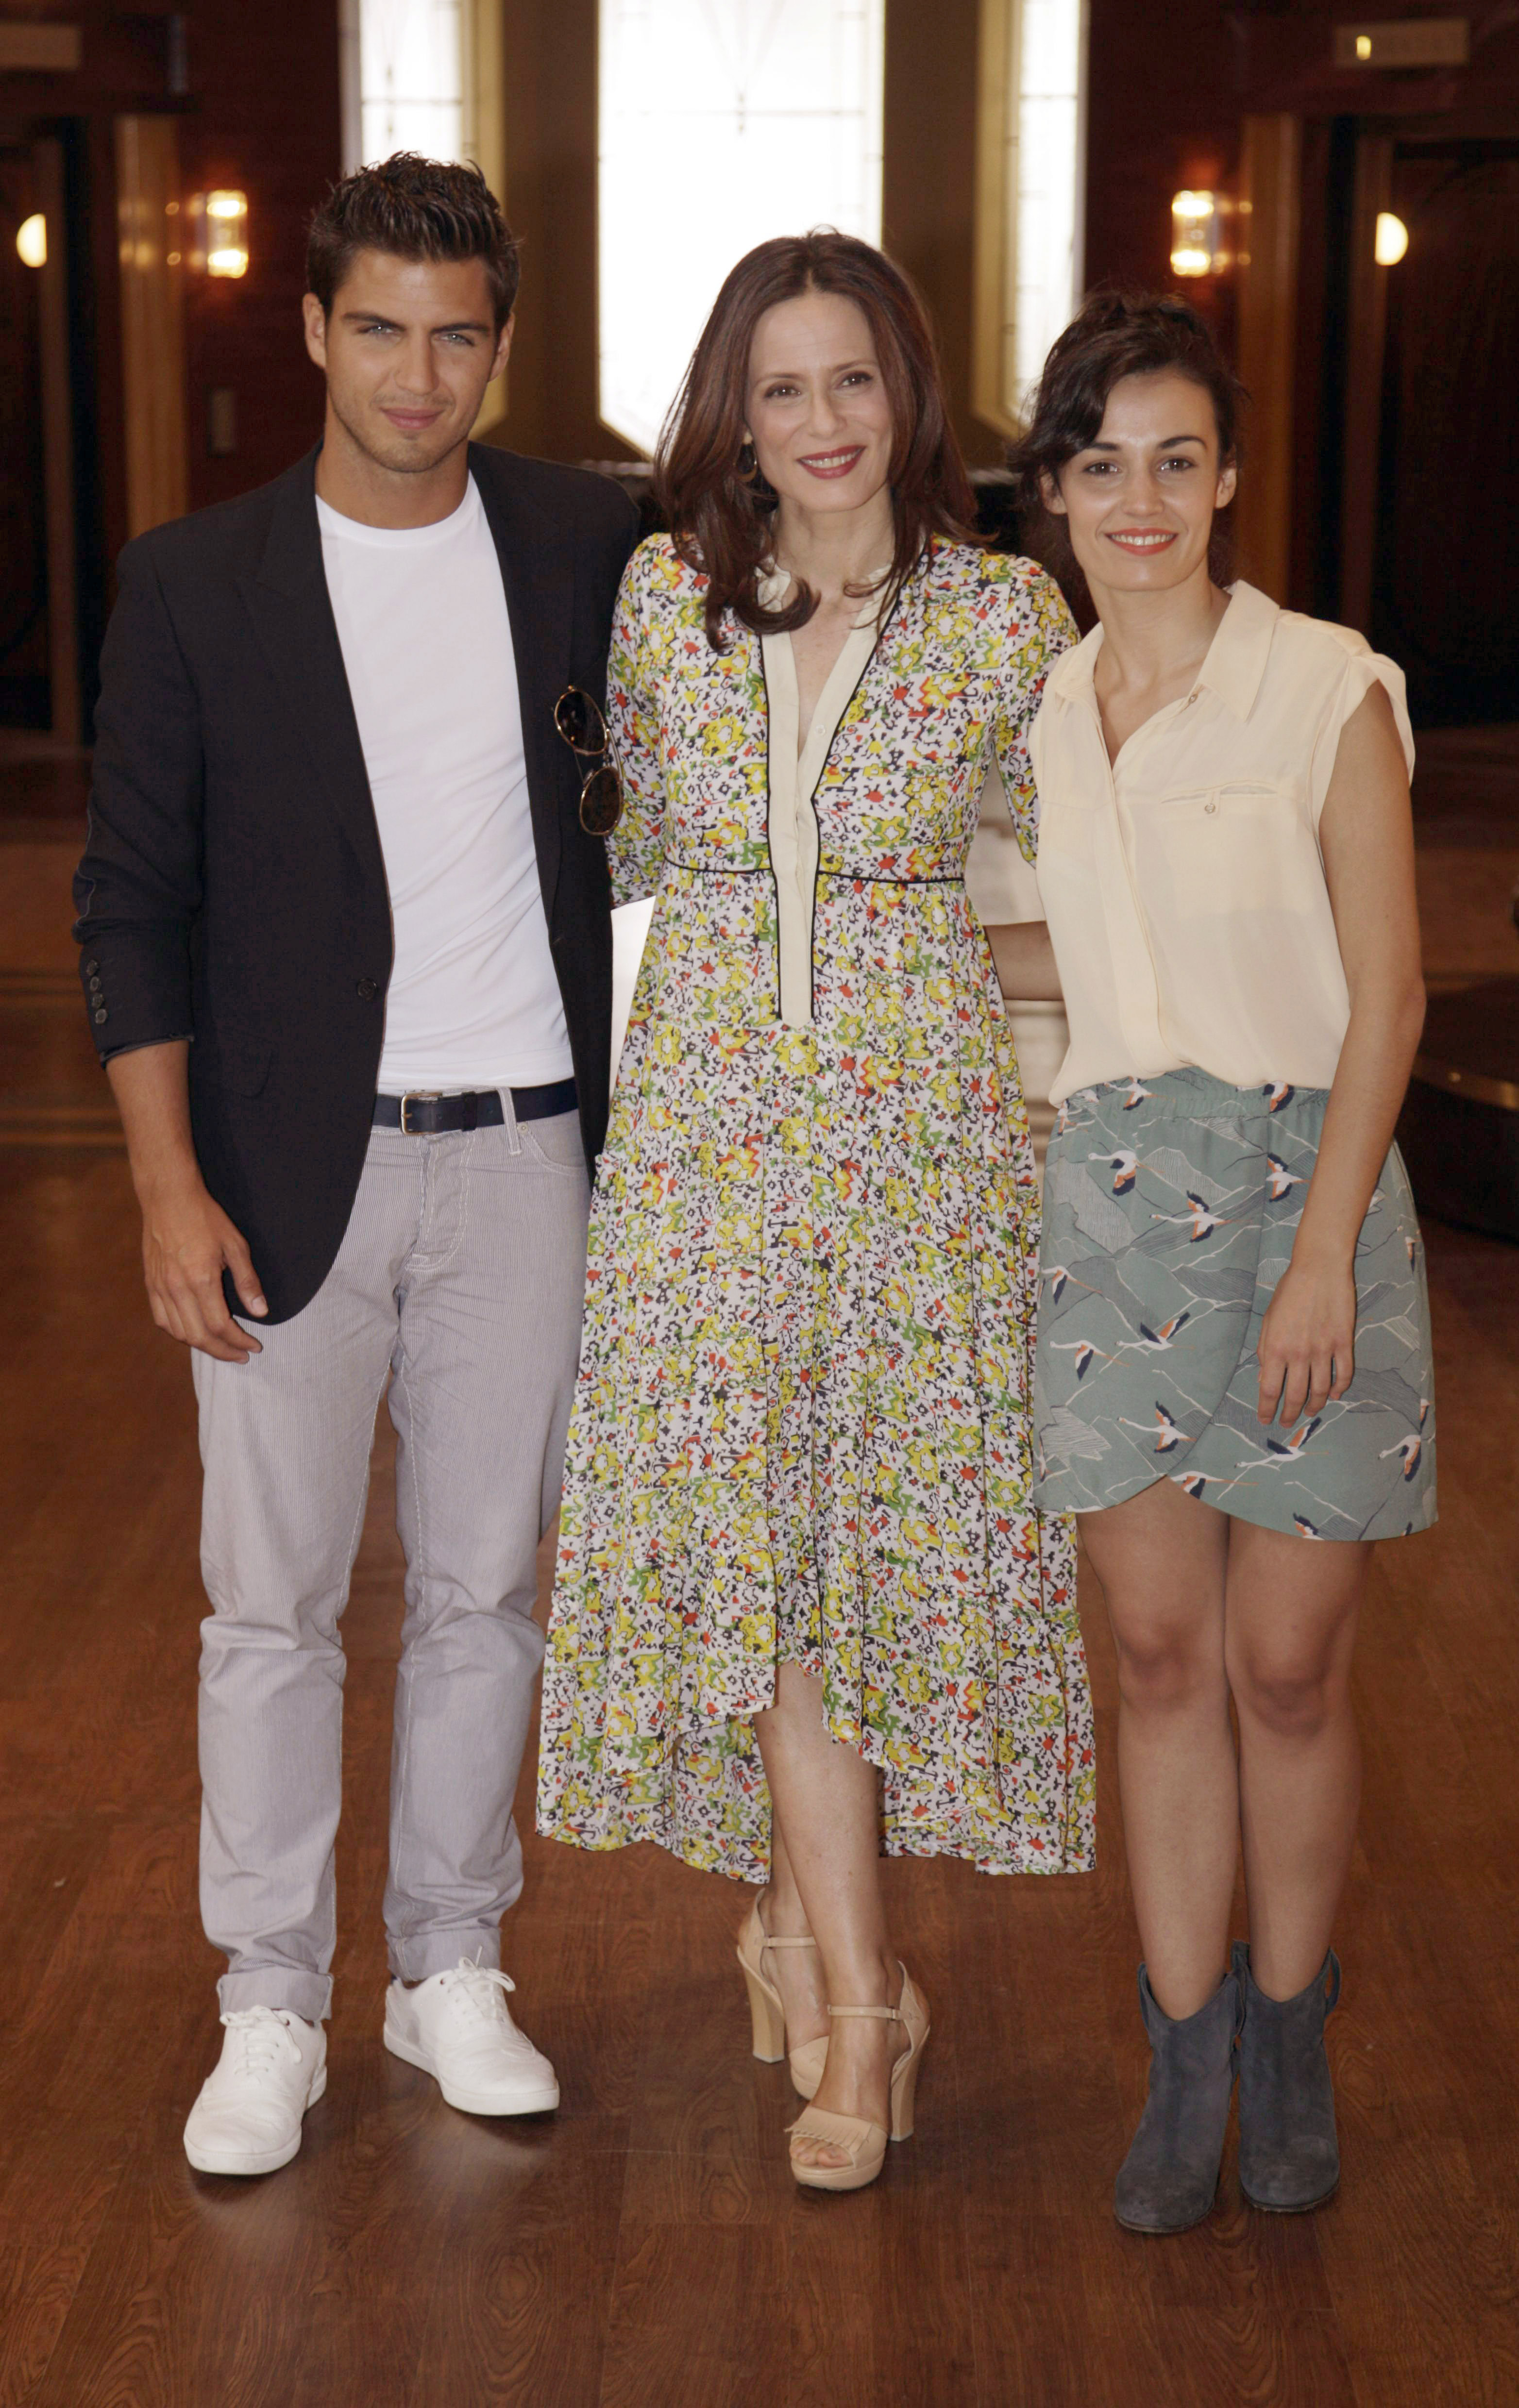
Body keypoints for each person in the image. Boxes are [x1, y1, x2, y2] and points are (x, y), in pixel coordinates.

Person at [72, 154, 637, 2177]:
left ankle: (447, 1968)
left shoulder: (588, 539)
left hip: (527, 1155)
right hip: (280, 1169)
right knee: (271, 1605)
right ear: (313, 329)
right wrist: (161, 1182)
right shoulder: (196, 579)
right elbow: (131, 901)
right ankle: (270, 1999)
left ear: (501, 345)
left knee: (490, 1585)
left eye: (456, 334)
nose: (417, 373)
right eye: (379, 328)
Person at [536, 232, 1095, 2194]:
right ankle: (863, 2014)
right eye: (779, 389)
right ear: (732, 412)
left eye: (849, 381)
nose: (820, 424)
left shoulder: (1003, 619)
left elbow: (1048, 911)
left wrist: (1057, 1136)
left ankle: (800, 1932)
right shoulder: (663, 601)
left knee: (859, 1567)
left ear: (905, 391)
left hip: (921, 1166)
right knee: (764, 1576)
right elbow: (638, 889)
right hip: (705, 1161)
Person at [1015, 292, 1434, 2232]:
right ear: (1053, 493)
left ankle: (1290, 2025)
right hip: (1107, 1201)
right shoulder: (1038, 710)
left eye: (1175, 459)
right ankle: (1184, 2060)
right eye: (1099, 464)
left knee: (1280, 1662)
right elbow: (1049, 971)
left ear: (1227, 476)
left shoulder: (1323, 684)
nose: (1141, 498)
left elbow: (1392, 993)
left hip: (1300, 1192)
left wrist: (1318, 1255)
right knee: (1161, 1655)